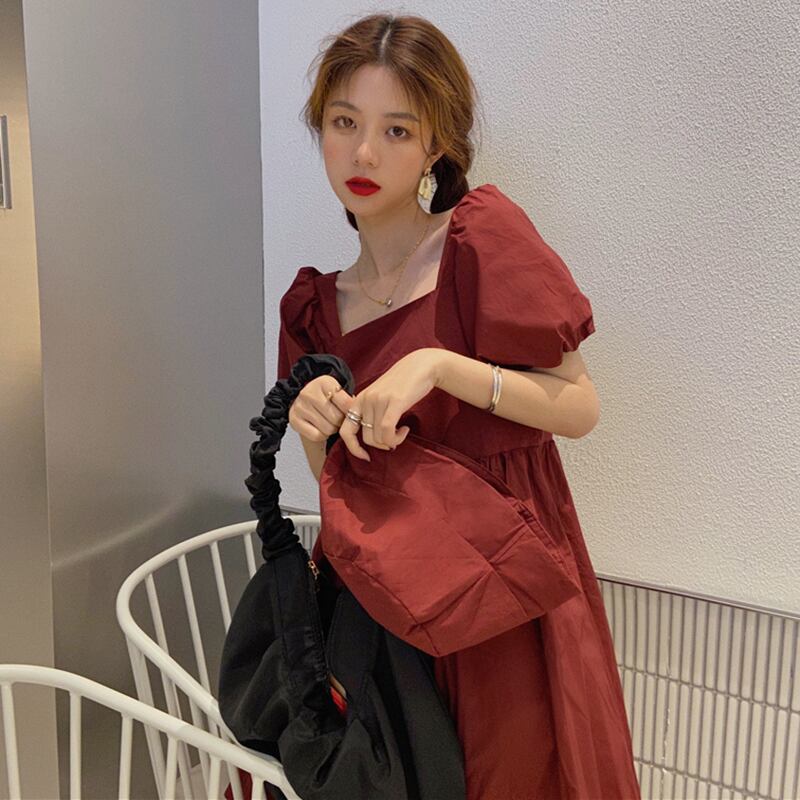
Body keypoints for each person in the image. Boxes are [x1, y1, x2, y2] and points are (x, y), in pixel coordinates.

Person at [275, 12, 641, 800]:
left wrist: (439, 366)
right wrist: (314, 425)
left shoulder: (481, 243)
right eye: (344, 122)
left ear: (437, 145)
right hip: (385, 604)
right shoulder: (314, 309)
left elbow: (578, 406)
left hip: (502, 598)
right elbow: (339, 484)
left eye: (397, 130)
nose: (364, 154)